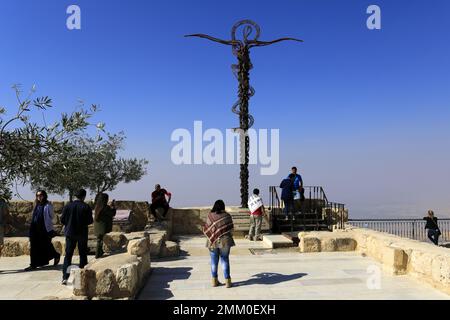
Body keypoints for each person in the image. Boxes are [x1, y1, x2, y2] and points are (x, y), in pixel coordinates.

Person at [60, 189, 93, 285]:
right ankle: (82, 277)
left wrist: (69, 224)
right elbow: (90, 221)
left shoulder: (68, 206)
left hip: (70, 233)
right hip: (82, 233)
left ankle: (65, 277)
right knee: (83, 254)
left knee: (68, 255)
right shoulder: (86, 207)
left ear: (75, 196)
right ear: (84, 196)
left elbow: (62, 220)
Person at [24, 190, 60, 271]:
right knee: (33, 246)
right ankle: (33, 264)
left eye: (40, 195)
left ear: (44, 196)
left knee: (46, 245)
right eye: (37, 195)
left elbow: (52, 216)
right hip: (34, 228)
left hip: (44, 229)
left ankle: (56, 255)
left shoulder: (48, 205)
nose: (39, 197)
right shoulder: (36, 204)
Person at [203, 200, 235, 288]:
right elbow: (231, 229)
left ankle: (214, 281)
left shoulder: (210, 216)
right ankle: (228, 281)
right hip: (225, 241)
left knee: (214, 261)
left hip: (212, 242)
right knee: (225, 259)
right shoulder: (227, 216)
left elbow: (206, 227)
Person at [93, 193, 116, 259]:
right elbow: (112, 213)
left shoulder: (97, 206)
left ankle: (99, 253)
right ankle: (98, 254)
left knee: (99, 240)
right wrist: (113, 207)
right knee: (99, 241)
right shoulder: (105, 207)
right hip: (102, 227)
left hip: (98, 227)